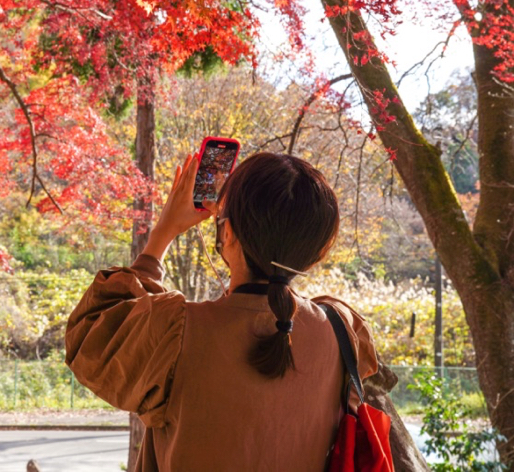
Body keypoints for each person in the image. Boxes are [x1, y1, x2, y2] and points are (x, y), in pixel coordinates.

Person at [66, 151, 378, 470]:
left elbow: (89, 337)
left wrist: (163, 234)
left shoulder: (177, 333)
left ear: (226, 234)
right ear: (315, 252)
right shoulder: (343, 331)